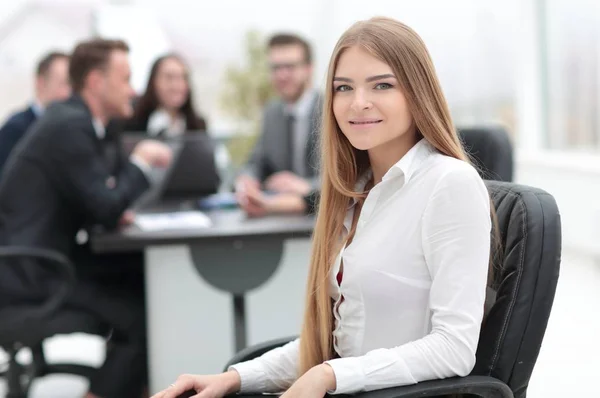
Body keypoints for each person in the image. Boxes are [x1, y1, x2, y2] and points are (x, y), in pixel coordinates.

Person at [152, 16, 494, 398]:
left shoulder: (449, 184)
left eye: (382, 85)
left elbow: (454, 348)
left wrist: (329, 376)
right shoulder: (356, 191)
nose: (358, 103)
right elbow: (335, 343)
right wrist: (234, 378)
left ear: (417, 92)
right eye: (343, 88)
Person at [0, 39, 172, 398]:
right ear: (96, 82)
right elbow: (106, 205)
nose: (134, 90)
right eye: (125, 79)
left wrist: (114, 196)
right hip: (31, 274)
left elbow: (99, 199)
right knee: (142, 314)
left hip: (45, 261)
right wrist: (140, 161)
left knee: (140, 278)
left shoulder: (84, 122)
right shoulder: (69, 125)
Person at [235, 33, 322, 216]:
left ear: (308, 69)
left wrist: (306, 186)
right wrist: (247, 180)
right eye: (275, 68)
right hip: (279, 217)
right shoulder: (272, 112)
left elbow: (351, 178)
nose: (282, 75)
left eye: (290, 67)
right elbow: (256, 162)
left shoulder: (332, 110)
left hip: (326, 218)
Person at [0, 51, 71, 174]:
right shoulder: (16, 128)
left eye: (73, 86)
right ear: (41, 83)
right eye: (63, 84)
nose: (69, 93)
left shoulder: (70, 128)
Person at [123, 53, 207, 137]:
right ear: (154, 81)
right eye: (169, 77)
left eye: (183, 78)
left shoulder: (197, 125)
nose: (177, 86)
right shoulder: (131, 118)